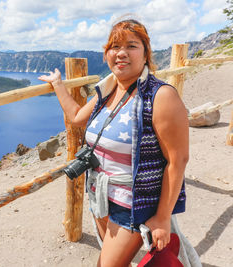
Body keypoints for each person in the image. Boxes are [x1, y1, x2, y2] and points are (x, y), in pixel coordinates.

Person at [39, 19, 189, 266]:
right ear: (106, 53)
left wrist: (162, 218)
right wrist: (58, 85)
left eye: (131, 46)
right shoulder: (108, 89)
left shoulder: (161, 96)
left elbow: (178, 160)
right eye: (114, 46)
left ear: (145, 53)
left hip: (132, 203)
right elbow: (77, 117)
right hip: (100, 195)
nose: (121, 53)